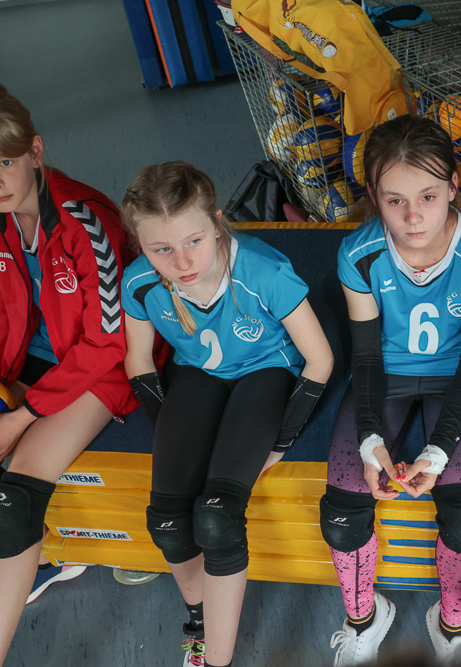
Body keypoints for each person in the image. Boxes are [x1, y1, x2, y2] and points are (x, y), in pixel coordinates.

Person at [0, 83, 137, 667]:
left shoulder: (86, 222)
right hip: (42, 358)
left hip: (104, 365)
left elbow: (108, 342)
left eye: (6, 161)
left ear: (35, 149)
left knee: (11, 501)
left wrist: (22, 415)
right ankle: (57, 550)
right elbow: (0, 318)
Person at [120, 161, 333, 667]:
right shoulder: (141, 282)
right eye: (161, 249)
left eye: (193, 241)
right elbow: (138, 360)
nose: (181, 261)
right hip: (199, 375)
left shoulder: (263, 272)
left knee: (216, 518)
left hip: (266, 373)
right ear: (140, 245)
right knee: (167, 523)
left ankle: (218, 661)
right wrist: (174, 438)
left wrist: (280, 442)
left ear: (217, 223)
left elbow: (320, 360)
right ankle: (199, 618)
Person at [320, 115, 461, 666]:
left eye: (428, 195)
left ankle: (451, 626)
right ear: (373, 195)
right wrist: (370, 439)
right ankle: (364, 619)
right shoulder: (359, 253)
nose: (413, 216)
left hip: (456, 377)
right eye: (394, 200)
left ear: (453, 186)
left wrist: (439, 449)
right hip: (387, 377)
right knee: (341, 509)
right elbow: (366, 357)